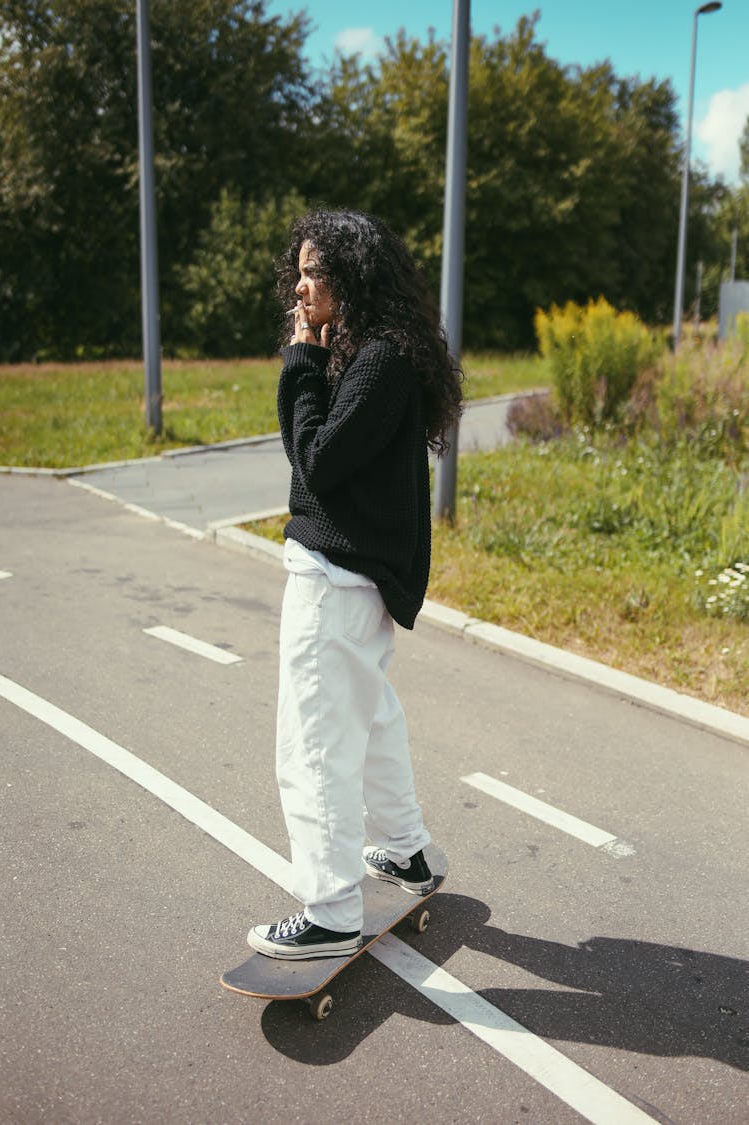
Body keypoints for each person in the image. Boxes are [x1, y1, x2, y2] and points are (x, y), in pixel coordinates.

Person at [247, 208, 463, 959]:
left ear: (352, 277)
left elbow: (316, 462)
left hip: (335, 580)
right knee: (369, 721)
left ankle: (331, 908)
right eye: (300, 272)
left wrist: (300, 361)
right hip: (360, 578)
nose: (302, 289)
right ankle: (406, 850)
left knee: (311, 744)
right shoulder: (385, 352)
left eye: (316, 273)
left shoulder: (375, 362)